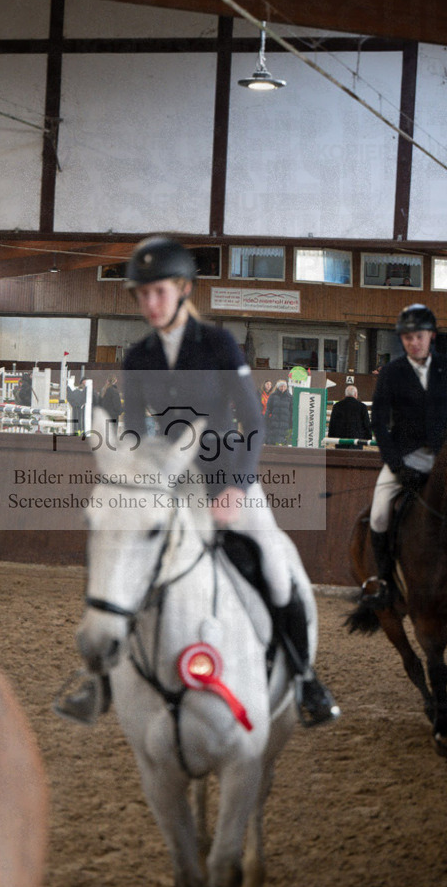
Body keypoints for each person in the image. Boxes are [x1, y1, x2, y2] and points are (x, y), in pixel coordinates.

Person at [57, 235, 339, 727]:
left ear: (184, 289)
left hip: (229, 478)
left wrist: (236, 486)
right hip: (168, 485)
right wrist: (127, 474)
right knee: (122, 557)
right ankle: (97, 681)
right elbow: (131, 428)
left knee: (274, 564)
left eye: (158, 292)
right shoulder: (139, 356)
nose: (149, 303)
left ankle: (303, 677)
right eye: (141, 294)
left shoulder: (218, 344)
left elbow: (252, 420)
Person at [361, 303, 447, 607]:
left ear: (431, 336)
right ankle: (385, 581)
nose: (414, 342)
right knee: (379, 514)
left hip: (446, 458)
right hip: (404, 457)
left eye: (419, 336)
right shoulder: (391, 373)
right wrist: (397, 465)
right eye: (408, 337)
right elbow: (379, 423)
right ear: (402, 340)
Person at [264, 380, 293, 446]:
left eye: (284, 386)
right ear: (278, 387)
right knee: (274, 441)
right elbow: (268, 409)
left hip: (285, 423)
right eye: (281, 386)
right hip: (275, 423)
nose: (283, 388)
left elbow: (292, 411)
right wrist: (266, 419)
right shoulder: (273, 396)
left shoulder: (290, 397)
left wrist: (291, 423)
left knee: (283, 442)